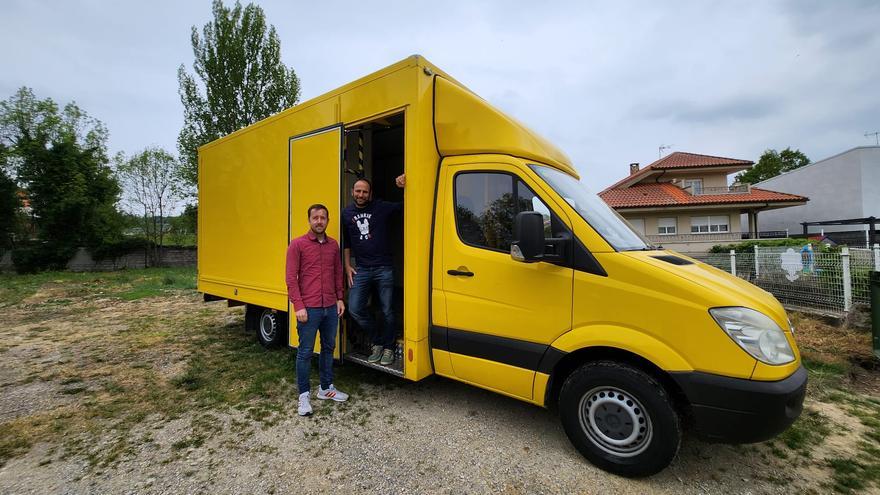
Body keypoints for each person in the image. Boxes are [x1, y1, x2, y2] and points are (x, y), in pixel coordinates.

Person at [286, 204, 349, 416]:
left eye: (323, 218)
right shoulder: (297, 245)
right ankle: (304, 397)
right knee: (304, 353)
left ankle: (325, 388)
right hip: (309, 309)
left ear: (328, 221)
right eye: (315, 217)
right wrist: (298, 306)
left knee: (328, 348)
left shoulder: (333, 245)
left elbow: (337, 274)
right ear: (309, 220)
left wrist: (340, 298)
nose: (319, 221)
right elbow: (290, 279)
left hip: (330, 307)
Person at [343, 174, 405, 366]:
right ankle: (377, 341)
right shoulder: (346, 213)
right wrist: (347, 266)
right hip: (361, 269)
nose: (361, 194)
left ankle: (389, 347)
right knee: (354, 308)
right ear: (353, 192)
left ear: (370, 194)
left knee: (387, 310)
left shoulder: (380, 207)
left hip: (384, 268)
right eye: (358, 191)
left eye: (365, 192)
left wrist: (404, 187)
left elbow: (405, 205)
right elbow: (346, 242)